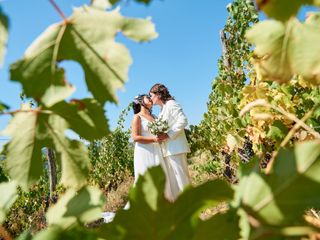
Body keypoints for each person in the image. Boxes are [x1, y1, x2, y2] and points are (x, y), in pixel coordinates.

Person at [149, 83, 191, 201]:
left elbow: (183, 120)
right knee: (175, 180)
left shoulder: (171, 104)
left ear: (158, 94)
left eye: (151, 95)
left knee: (182, 178)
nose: (151, 98)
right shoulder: (162, 109)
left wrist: (168, 135)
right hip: (168, 149)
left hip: (176, 147)